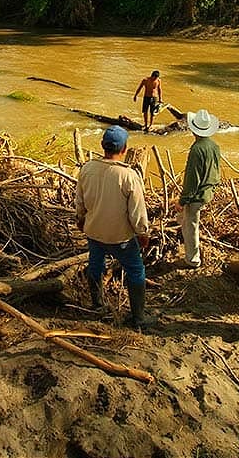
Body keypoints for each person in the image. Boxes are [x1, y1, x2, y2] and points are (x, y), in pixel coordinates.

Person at [75, 126, 153, 329]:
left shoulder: (87, 169)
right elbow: (137, 211)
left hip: (94, 231)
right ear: (124, 149)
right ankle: (138, 317)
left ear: (102, 146)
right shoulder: (128, 176)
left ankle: (97, 304)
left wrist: (81, 219)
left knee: (95, 265)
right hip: (121, 237)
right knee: (136, 271)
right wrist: (143, 233)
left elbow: (80, 201)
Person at [174, 109, 222, 269]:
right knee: (186, 221)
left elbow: (192, 180)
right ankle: (191, 250)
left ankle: (193, 260)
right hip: (208, 191)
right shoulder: (214, 146)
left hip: (197, 195)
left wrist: (182, 200)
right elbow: (216, 170)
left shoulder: (196, 149)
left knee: (191, 227)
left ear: (193, 129)